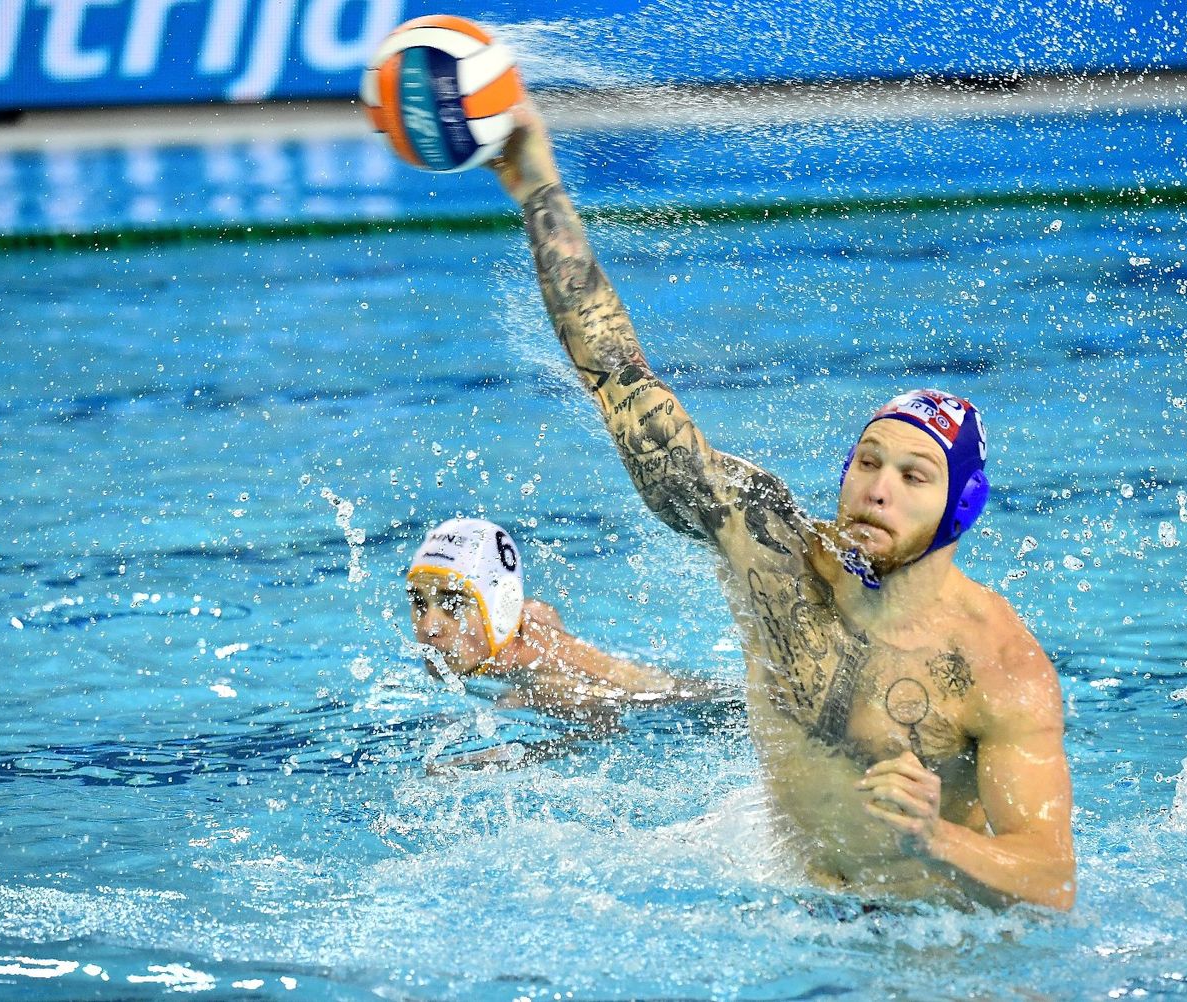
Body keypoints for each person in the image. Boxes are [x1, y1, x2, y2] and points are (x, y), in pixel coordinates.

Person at [477, 102, 1075, 911]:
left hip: (929, 939)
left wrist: (936, 837)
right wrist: (538, 190)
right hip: (789, 917)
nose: (879, 487)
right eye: (868, 462)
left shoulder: (997, 665)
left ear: (961, 507)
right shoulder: (768, 549)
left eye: (915, 476)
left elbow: (1052, 879)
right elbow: (621, 379)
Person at [407, 517, 718, 734]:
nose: (430, 627)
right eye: (420, 602)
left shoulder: (547, 686)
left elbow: (606, 733)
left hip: (688, 705)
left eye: (453, 604)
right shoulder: (530, 619)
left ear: (499, 610)